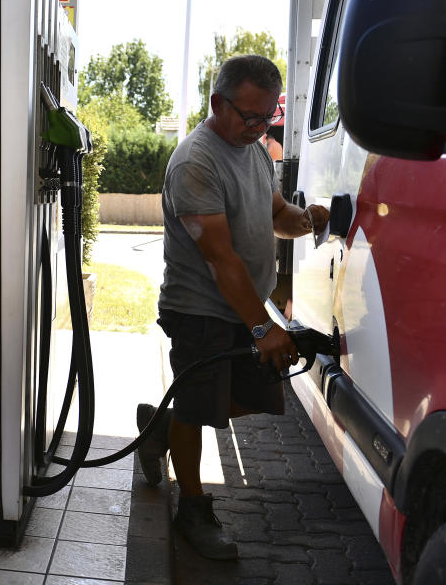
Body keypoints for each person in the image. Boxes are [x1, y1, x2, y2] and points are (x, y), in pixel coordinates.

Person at [136, 55, 329, 560]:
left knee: (263, 399)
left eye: (268, 117)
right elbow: (220, 259)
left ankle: (161, 425)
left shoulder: (256, 152)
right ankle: (192, 510)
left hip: (246, 307)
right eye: (250, 116)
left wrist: (306, 220)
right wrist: (265, 326)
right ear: (218, 103)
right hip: (201, 310)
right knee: (201, 412)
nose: (261, 127)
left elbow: (277, 216)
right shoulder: (195, 162)